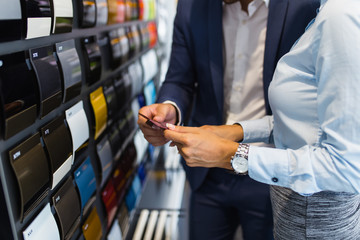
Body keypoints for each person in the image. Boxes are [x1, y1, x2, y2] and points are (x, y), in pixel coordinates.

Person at [162, 0, 360, 239]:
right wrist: (232, 132)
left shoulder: (338, 15)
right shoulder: (327, 10)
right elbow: (302, 121)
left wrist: (230, 154)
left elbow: (347, 165)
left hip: (292, 197)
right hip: (225, 175)